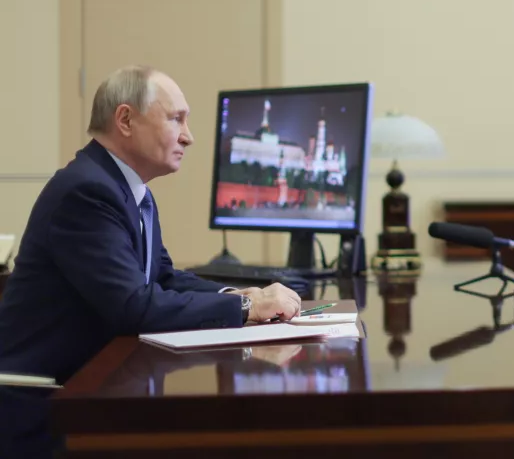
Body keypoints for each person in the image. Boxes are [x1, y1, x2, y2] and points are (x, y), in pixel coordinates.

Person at [0, 65, 303, 387]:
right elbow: (133, 305)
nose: (189, 137)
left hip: (93, 382)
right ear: (126, 120)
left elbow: (162, 277)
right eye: (176, 119)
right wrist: (246, 307)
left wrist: (239, 294)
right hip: (44, 397)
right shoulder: (86, 192)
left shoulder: (129, 191)